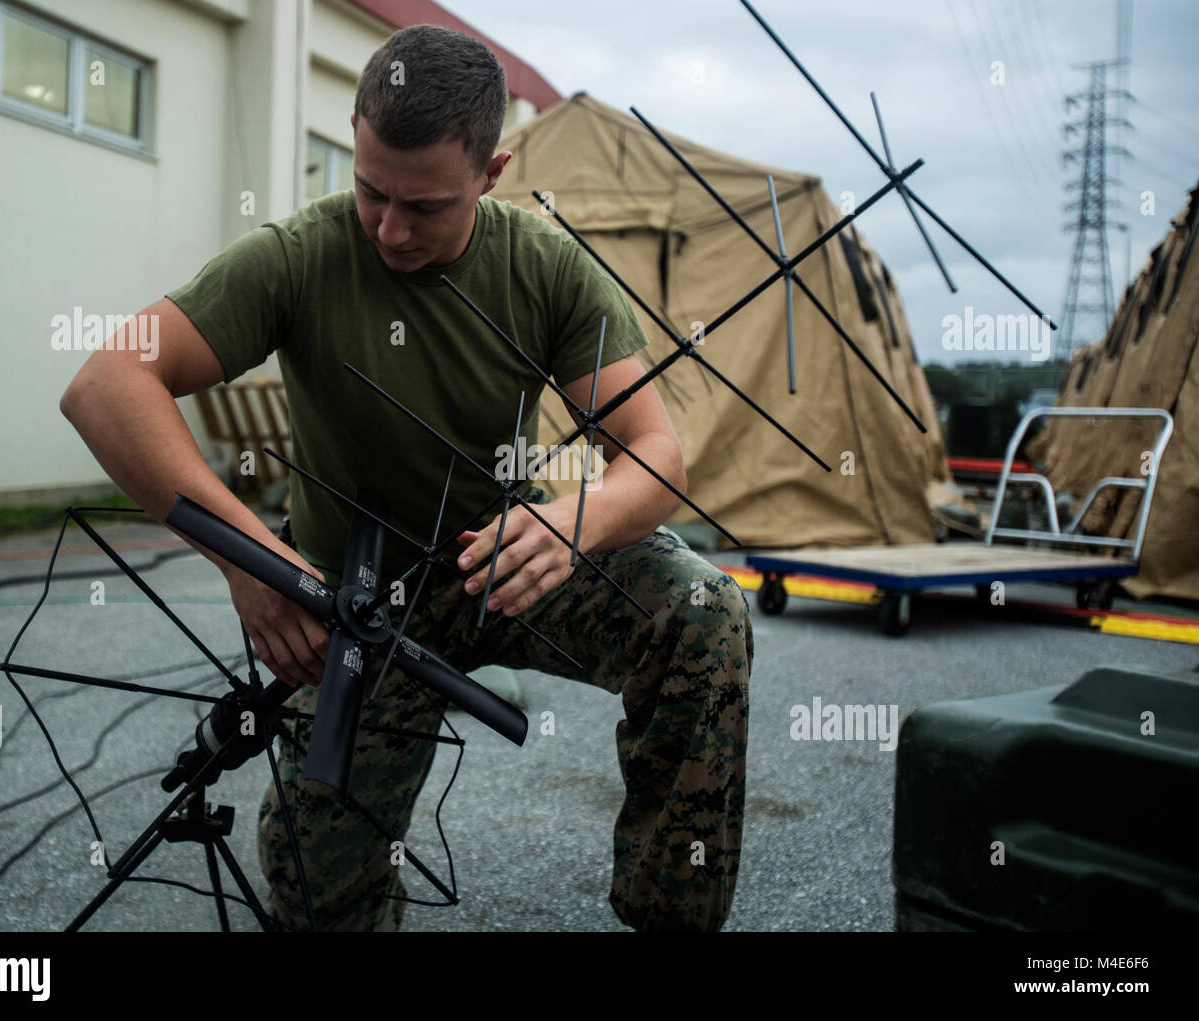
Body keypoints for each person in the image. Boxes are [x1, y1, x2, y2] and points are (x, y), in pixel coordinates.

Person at [60, 23, 752, 932]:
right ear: (353, 137)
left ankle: (673, 914)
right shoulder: (299, 255)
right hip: (354, 599)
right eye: (369, 190)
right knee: (317, 886)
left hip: (501, 563)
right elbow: (106, 384)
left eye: (425, 206)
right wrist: (251, 565)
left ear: (492, 173)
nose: (389, 228)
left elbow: (657, 452)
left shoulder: (544, 266)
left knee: (704, 615)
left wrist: (576, 521)